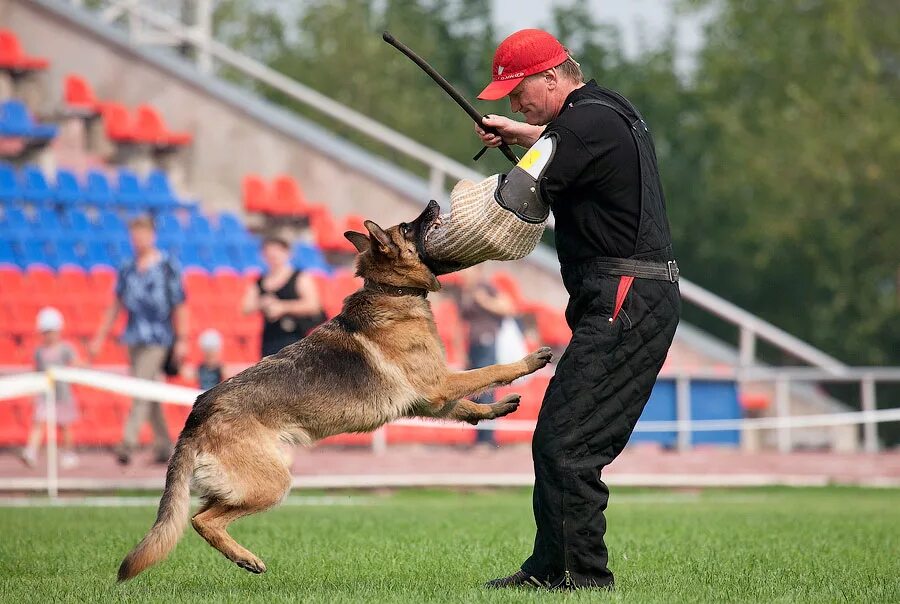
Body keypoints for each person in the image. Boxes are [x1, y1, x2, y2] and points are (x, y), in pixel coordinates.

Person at [472, 29, 681, 590]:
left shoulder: (581, 126)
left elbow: (519, 195)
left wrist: (438, 247)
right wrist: (526, 133)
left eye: (519, 93)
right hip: (630, 294)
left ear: (552, 77)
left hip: (624, 296)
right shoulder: (605, 110)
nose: (513, 103)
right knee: (564, 439)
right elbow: (561, 143)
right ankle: (554, 567)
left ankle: (577, 576)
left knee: (567, 442)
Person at [89, 215, 188, 465]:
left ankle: (128, 442)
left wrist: (183, 339)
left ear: (152, 236)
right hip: (133, 336)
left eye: (143, 234)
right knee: (149, 389)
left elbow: (180, 304)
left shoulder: (167, 266)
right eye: (135, 235)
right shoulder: (128, 268)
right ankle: (165, 445)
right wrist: (100, 337)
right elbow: (116, 305)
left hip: (158, 336)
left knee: (141, 387)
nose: (139, 239)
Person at [459, 265, 516, 447]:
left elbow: (508, 307)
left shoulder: (486, 288)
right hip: (473, 345)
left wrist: (484, 302)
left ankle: (487, 438)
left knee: (486, 390)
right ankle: (479, 437)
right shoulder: (466, 291)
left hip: (487, 341)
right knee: (474, 391)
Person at [241, 234, 324, 358]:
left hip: (296, 337)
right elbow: (245, 308)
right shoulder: (260, 281)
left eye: (277, 252)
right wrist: (262, 303)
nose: (273, 257)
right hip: (270, 340)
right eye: (269, 254)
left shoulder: (300, 277)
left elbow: (313, 305)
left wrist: (283, 307)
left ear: (287, 253)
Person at [20, 307, 82, 469]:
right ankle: (31, 451)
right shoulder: (39, 352)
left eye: (51, 331)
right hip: (44, 395)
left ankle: (68, 453)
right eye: (45, 332)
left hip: (62, 395)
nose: (49, 335)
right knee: (39, 422)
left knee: (65, 426)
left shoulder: (65, 349)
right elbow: (37, 372)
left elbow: (77, 363)